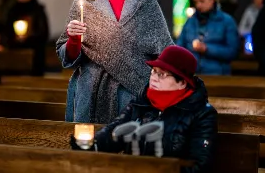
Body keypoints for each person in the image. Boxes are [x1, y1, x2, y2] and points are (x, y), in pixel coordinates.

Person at [56, 0, 173, 124]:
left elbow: (165, 49)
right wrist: (74, 40)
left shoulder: (146, 2)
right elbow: (67, 57)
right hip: (92, 90)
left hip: (133, 89)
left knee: (129, 147)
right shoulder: (85, 3)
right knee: (89, 148)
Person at [71, 45, 218, 173]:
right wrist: (92, 146)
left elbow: (200, 165)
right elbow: (115, 131)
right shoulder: (142, 102)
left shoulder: (202, 114)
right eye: (153, 71)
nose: (153, 78)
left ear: (182, 83)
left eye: (161, 74)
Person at [177, 0, 240, 75]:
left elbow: (232, 52)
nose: (198, 5)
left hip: (217, 74)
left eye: (202, 1)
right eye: (196, 2)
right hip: (192, 74)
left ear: (212, 0)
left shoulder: (226, 21)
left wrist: (207, 49)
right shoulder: (190, 22)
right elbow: (179, 46)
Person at [1, 0, 49, 76]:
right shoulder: (14, 10)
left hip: (34, 52)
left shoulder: (37, 11)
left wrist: (28, 38)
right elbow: (6, 29)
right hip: (14, 51)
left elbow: (43, 31)